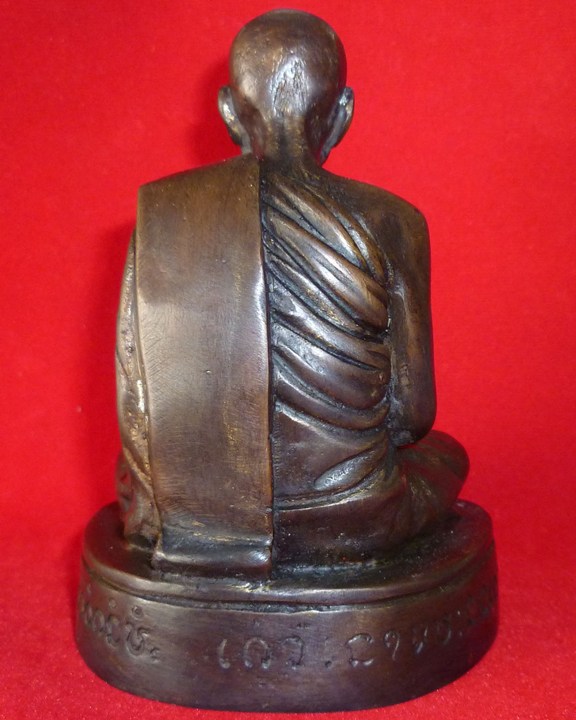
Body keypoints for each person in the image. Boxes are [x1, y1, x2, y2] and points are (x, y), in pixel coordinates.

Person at [115, 9, 468, 575]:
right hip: (351, 516)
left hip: (182, 517)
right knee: (446, 455)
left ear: (228, 112)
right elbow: (412, 414)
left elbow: (137, 409)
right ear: (343, 113)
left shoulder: (164, 218)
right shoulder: (391, 220)